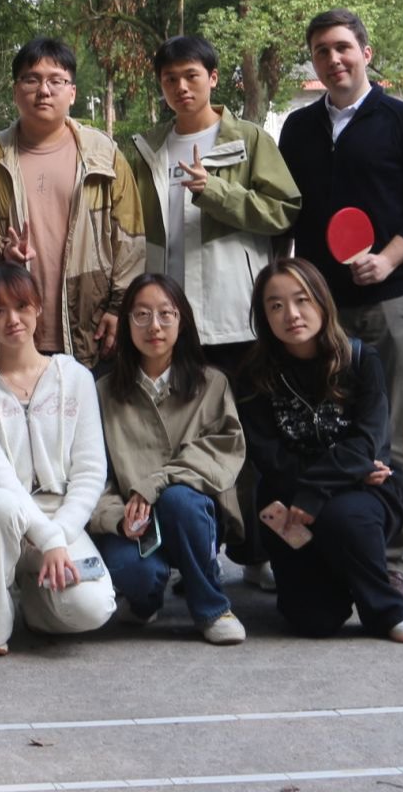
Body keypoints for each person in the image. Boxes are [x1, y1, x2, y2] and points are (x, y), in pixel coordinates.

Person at [277, 9, 403, 588]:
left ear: (366, 53)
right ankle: (328, 553)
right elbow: (287, 214)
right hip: (317, 313)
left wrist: (389, 258)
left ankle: (391, 561)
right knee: (320, 433)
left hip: (390, 305)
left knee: (389, 435)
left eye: (342, 47)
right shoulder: (298, 129)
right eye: (321, 51)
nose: (333, 59)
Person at [124, 34, 299, 590]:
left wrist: (217, 193)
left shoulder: (248, 140)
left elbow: (284, 211)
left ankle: (257, 554)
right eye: (170, 79)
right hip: (170, 326)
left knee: (248, 439)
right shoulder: (147, 148)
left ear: (213, 78)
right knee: (180, 443)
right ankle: (195, 554)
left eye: (191, 76)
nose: (181, 87)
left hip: (235, 316)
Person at [235, 258, 403, 643]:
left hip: (362, 493)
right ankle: (342, 575)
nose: (291, 314)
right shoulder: (254, 375)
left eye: (302, 300)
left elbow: (368, 443)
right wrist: (340, 474)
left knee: (343, 516)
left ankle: (386, 608)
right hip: (288, 499)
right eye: (276, 305)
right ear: (264, 317)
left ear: (322, 301)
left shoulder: (360, 360)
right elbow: (270, 457)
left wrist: (318, 490)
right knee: (314, 621)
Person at [0, 263, 115, 655]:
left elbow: (91, 471)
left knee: (93, 609)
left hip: (61, 519)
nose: (13, 319)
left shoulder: (74, 376)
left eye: (22, 306)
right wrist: (48, 539)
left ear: (38, 308)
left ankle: (35, 600)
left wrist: (58, 535)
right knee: (1, 505)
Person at [0, 38, 142, 368]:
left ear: (73, 92)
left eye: (56, 80)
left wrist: (119, 306)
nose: (44, 90)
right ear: (15, 91)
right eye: (31, 79)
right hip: (8, 334)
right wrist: (1, 250)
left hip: (91, 328)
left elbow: (130, 237)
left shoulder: (104, 154)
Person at [87, 274, 248, 645]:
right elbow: (93, 472)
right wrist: (116, 519)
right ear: (126, 323)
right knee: (134, 572)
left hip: (192, 514)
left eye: (165, 314)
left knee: (180, 500)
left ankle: (212, 607)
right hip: (131, 518)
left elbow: (223, 451)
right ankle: (146, 602)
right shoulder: (103, 392)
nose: (154, 326)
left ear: (182, 321)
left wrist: (154, 484)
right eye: (141, 315)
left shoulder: (211, 383)